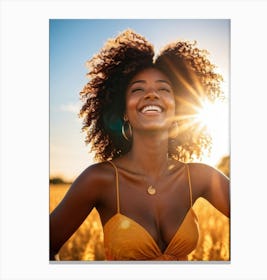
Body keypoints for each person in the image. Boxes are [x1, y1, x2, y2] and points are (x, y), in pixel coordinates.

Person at [50, 29, 230, 261]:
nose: (152, 95)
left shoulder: (200, 177)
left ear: (179, 107)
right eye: (138, 89)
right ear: (123, 111)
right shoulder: (98, 180)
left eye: (164, 89)